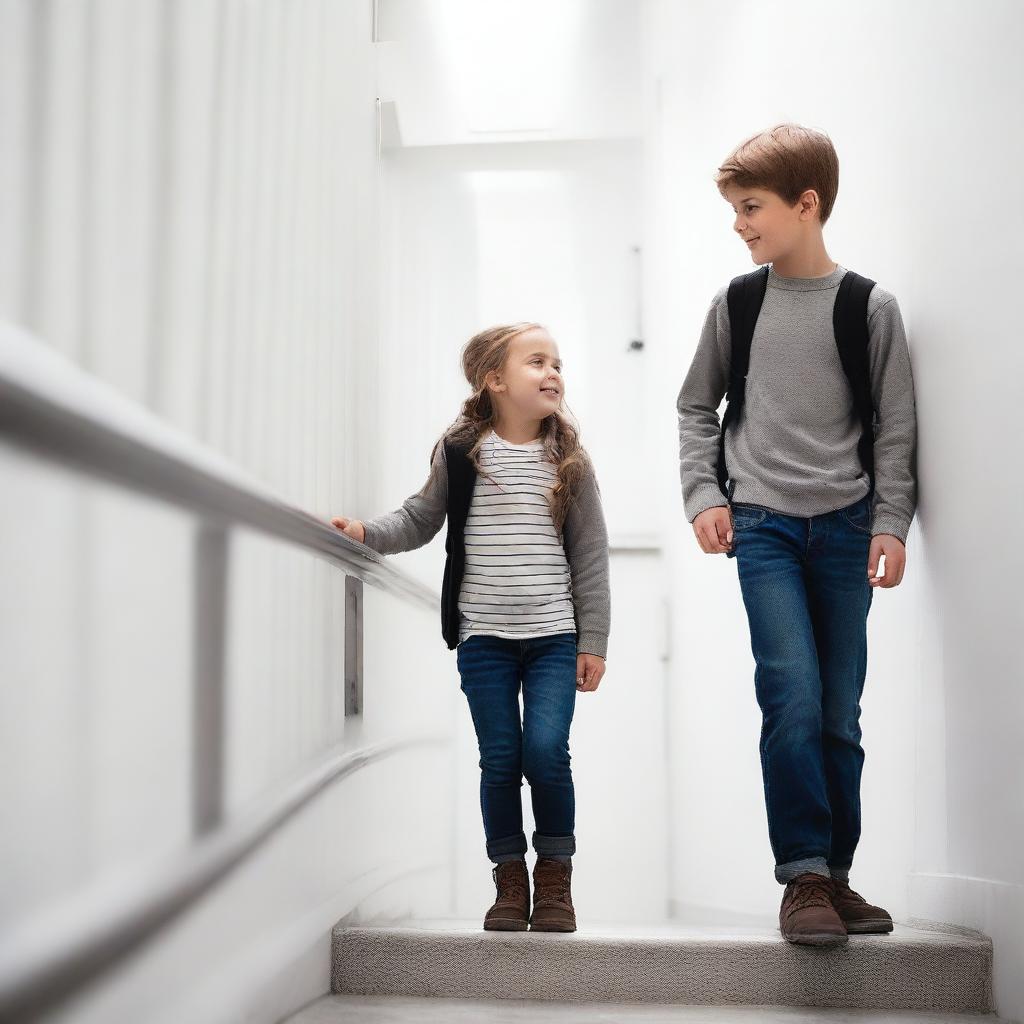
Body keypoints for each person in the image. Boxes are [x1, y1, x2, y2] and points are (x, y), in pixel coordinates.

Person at [676, 124, 917, 946]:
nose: (739, 225)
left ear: (806, 204)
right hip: (765, 529)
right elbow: (693, 407)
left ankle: (838, 877)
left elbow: (894, 429)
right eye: (736, 210)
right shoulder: (736, 304)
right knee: (792, 694)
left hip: (848, 531)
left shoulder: (868, 307)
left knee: (840, 712)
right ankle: (803, 876)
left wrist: (891, 521)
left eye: (751, 208)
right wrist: (705, 493)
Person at [332, 322, 610, 933]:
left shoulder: (570, 462)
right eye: (537, 361)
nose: (553, 372)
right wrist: (366, 533)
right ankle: (509, 881)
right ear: (494, 380)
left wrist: (594, 641)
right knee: (501, 757)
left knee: (546, 751)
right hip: (484, 639)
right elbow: (418, 518)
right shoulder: (461, 454)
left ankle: (554, 879)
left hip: (553, 639)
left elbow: (590, 556)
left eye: (558, 362)